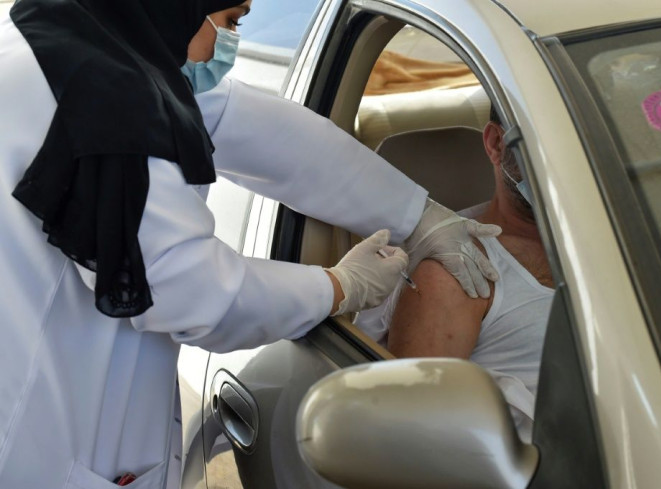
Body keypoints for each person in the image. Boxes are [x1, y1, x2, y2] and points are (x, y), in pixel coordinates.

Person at [0, 1, 500, 488]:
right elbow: (190, 291)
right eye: (231, 20)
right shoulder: (109, 97)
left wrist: (419, 215)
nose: (231, 44)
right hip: (43, 445)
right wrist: (340, 286)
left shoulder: (79, 38)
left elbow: (264, 132)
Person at [357, 110, 553, 443]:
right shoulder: (454, 272)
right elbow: (414, 438)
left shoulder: (631, 240)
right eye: (546, 140)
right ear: (496, 144)